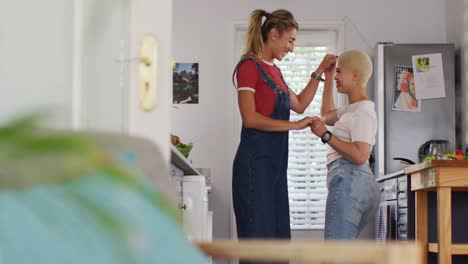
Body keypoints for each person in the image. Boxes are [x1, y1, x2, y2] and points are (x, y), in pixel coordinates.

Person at [231, 8, 336, 249]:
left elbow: (299, 104)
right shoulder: (248, 65)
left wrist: (320, 71)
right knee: (257, 243)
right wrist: (294, 126)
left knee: (278, 241)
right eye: (290, 40)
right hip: (254, 169)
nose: (291, 48)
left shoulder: (275, 72)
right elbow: (250, 119)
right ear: (274, 34)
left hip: (275, 170)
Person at [309, 50, 380, 239]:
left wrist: (325, 135)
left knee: (336, 255)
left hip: (350, 179)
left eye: (340, 72)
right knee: (340, 252)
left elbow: (360, 155)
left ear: (355, 75)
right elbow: (326, 115)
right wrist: (328, 75)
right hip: (352, 180)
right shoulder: (352, 109)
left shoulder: (363, 111)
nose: (336, 78)